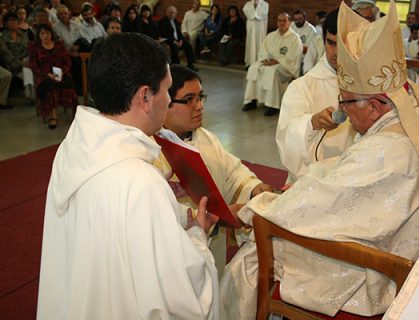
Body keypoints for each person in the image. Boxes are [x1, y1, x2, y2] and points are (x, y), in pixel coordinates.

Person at [220, 1, 419, 319]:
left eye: (347, 103)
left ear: (375, 106)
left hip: (378, 269)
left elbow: (340, 189)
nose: (343, 111)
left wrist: (256, 208)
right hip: (393, 239)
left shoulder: (385, 149)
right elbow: (346, 176)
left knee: (250, 258)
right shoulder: (418, 109)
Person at [36, 32, 219, 320]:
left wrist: (174, 216)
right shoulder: (140, 181)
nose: (169, 100)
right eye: (168, 91)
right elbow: (181, 300)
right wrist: (197, 234)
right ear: (146, 97)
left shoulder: (74, 147)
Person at [156, 64, 273, 273]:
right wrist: (218, 218)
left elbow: (231, 170)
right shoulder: (151, 152)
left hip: (211, 253)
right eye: (189, 100)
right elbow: (156, 213)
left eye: (200, 97)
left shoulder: (207, 139)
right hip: (173, 261)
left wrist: (255, 188)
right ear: (165, 102)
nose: (199, 106)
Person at [276, 9, 355, 182]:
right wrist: (312, 123)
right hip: (312, 181)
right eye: (331, 43)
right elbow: (286, 135)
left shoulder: (372, 84)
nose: (336, 53)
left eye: (344, 46)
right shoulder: (302, 86)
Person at [242, 13, 302, 116]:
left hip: (286, 67)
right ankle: (252, 100)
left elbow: (293, 57)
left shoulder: (295, 38)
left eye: (284, 20)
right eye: (279, 20)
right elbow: (263, 49)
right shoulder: (271, 36)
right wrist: (265, 59)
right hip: (269, 63)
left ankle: (272, 105)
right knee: (253, 68)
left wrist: (277, 60)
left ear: (289, 22)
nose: (281, 23)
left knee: (272, 72)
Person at [29, 23, 77, 128]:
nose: (45, 36)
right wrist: (48, 74)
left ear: (51, 34)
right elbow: (34, 66)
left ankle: (75, 115)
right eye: (42, 33)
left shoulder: (59, 45)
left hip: (60, 73)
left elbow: (67, 62)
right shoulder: (35, 48)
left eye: (47, 33)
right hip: (44, 76)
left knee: (70, 85)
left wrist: (62, 72)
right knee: (51, 88)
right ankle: (53, 115)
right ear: (39, 35)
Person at [159, 6, 198, 71]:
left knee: (188, 46)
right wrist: (174, 41)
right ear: (167, 12)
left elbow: (179, 32)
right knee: (174, 47)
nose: (172, 14)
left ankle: (190, 64)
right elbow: (164, 34)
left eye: (174, 13)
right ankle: (177, 66)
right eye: (171, 13)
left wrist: (181, 40)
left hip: (177, 40)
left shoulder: (175, 20)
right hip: (168, 40)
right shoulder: (162, 21)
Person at [242, 0, 269, 67]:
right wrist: (254, 6)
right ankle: (249, 63)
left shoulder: (265, 4)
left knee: (260, 44)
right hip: (251, 28)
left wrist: (257, 6)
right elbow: (249, 15)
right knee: (250, 44)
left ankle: (259, 62)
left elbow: (263, 14)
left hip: (261, 28)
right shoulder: (248, 4)